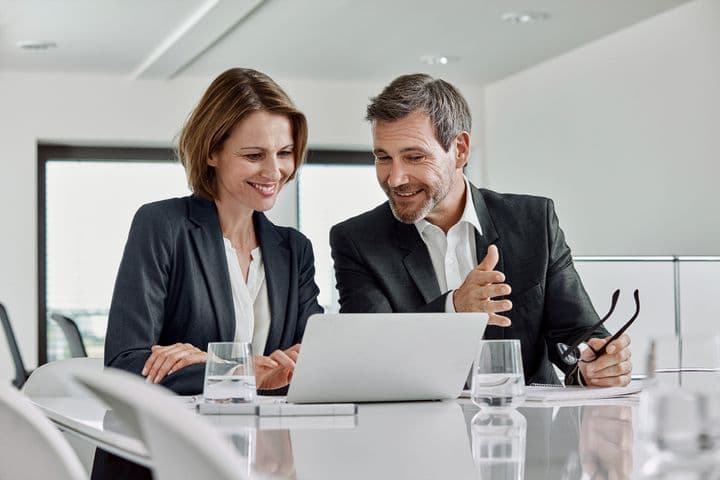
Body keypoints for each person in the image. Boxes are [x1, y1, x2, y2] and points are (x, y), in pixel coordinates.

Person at [329, 73, 631, 387]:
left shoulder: (533, 221)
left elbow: (577, 334)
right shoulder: (357, 240)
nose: (395, 178)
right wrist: (454, 308)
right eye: (383, 158)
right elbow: (371, 354)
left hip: (529, 429)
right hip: (417, 430)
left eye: (414, 157)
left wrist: (593, 362)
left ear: (459, 149)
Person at [93, 68, 323, 479]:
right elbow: (127, 365)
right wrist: (239, 369)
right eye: (254, 155)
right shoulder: (162, 225)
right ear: (212, 152)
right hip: (165, 460)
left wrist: (211, 362)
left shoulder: (294, 250)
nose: (274, 171)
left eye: (284, 153)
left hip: (263, 462)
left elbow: (312, 365)